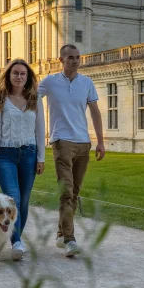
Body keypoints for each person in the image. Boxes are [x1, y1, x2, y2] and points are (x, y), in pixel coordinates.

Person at [38, 44, 105, 257]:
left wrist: (100, 142)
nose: (75, 61)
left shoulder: (86, 82)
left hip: (83, 143)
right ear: (61, 60)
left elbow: (95, 112)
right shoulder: (49, 81)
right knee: (66, 191)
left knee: (74, 193)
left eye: (78, 57)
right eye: (70, 58)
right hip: (61, 142)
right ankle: (69, 239)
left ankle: (60, 233)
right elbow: (30, 99)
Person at [0, 59, 45, 261]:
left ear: (28, 78)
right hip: (5, 154)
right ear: (9, 76)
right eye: (15, 73)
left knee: (24, 201)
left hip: (29, 154)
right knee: (13, 198)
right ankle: (16, 241)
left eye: (23, 74)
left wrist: (41, 158)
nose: (19, 77)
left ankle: (14, 239)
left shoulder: (35, 99)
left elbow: (39, 130)